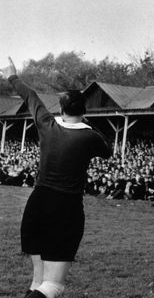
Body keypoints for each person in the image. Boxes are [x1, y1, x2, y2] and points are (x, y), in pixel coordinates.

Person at [2, 57, 112, 298]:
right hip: (65, 208)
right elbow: (108, 150)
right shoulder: (89, 136)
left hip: (37, 204)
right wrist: (87, 123)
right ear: (84, 111)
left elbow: (30, 96)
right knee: (53, 287)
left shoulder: (48, 125)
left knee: (38, 281)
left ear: (61, 110)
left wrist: (12, 76)